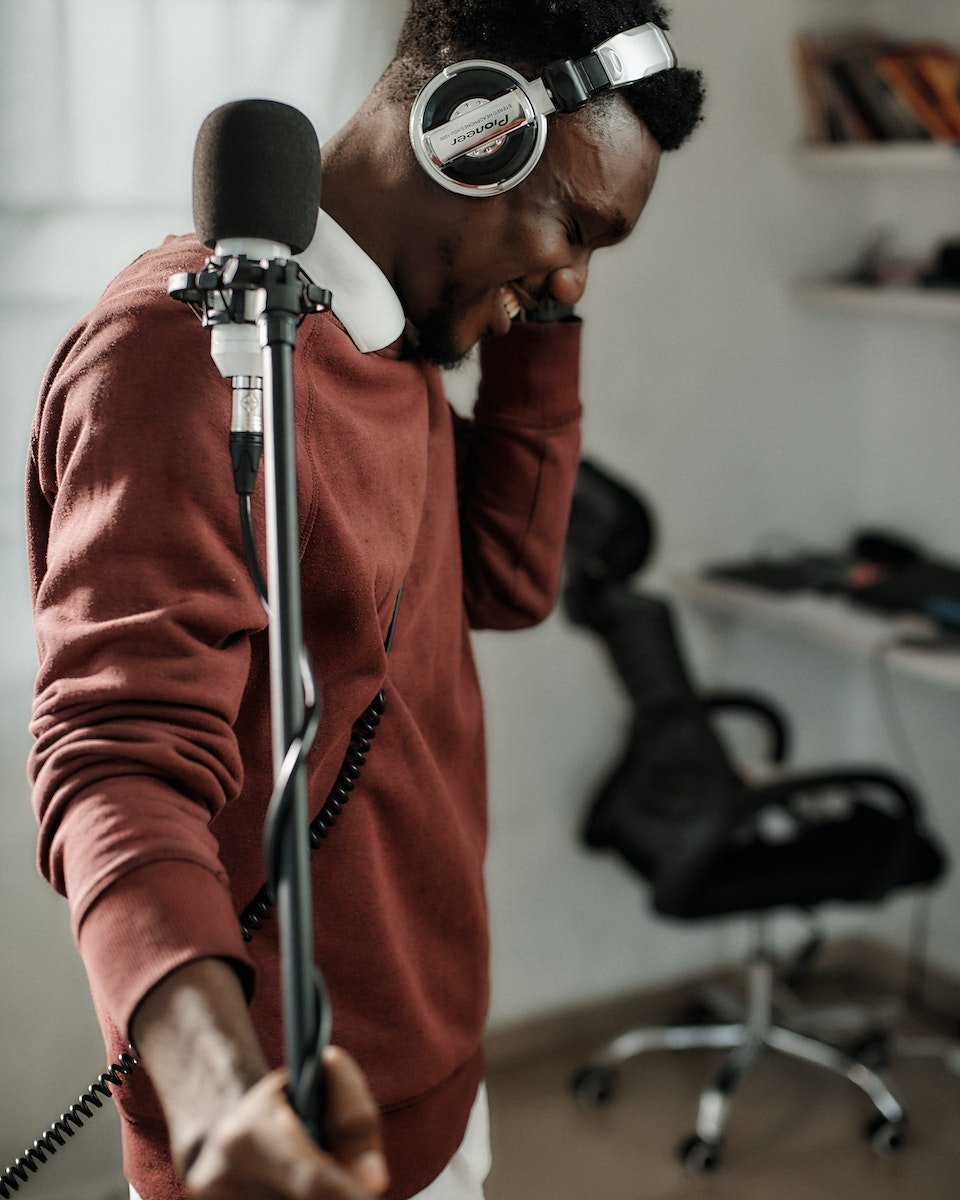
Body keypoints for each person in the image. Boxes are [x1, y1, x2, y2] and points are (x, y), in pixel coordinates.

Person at [25, 2, 704, 1198]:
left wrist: (538, 311)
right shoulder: (196, 354)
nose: (574, 277)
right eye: (576, 227)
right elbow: (117, 758)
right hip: (281, 1128)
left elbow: (504, 583)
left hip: (433, 1055)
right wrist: (220, 1102)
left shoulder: (383, 343)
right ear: (466, 130)